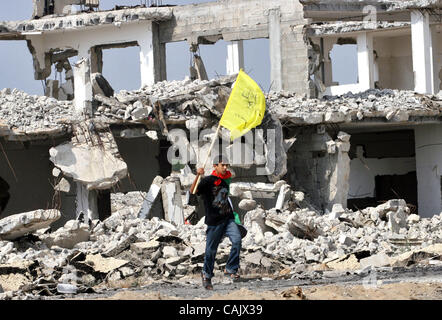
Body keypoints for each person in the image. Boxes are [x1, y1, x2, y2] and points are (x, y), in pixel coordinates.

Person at [190, 156, 242, 290]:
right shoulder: (207, 181)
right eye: (222, 165)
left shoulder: (225, 182)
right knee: (211, 250)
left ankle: (230, 269)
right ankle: (206, 275)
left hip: (228, 218)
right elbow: (193, 192)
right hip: (214, 222)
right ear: (215, 166)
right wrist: (198, 176)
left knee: (236, 240)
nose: (225, 167)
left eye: (227, 165)